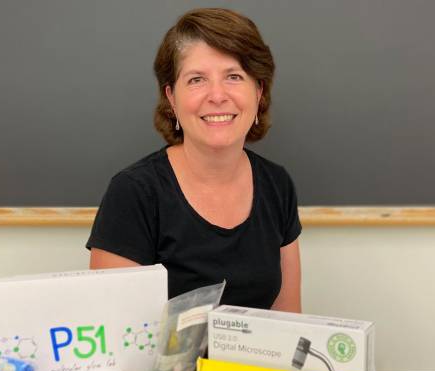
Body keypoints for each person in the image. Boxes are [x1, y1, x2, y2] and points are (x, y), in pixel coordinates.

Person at [87, 8, 301, 312]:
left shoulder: (277, 185)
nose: (217, 95)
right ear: (172, 98)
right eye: (197, 79)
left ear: (259, 91)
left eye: (234, 76)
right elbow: (116, 330)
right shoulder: (134, 193)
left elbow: (288, 325)